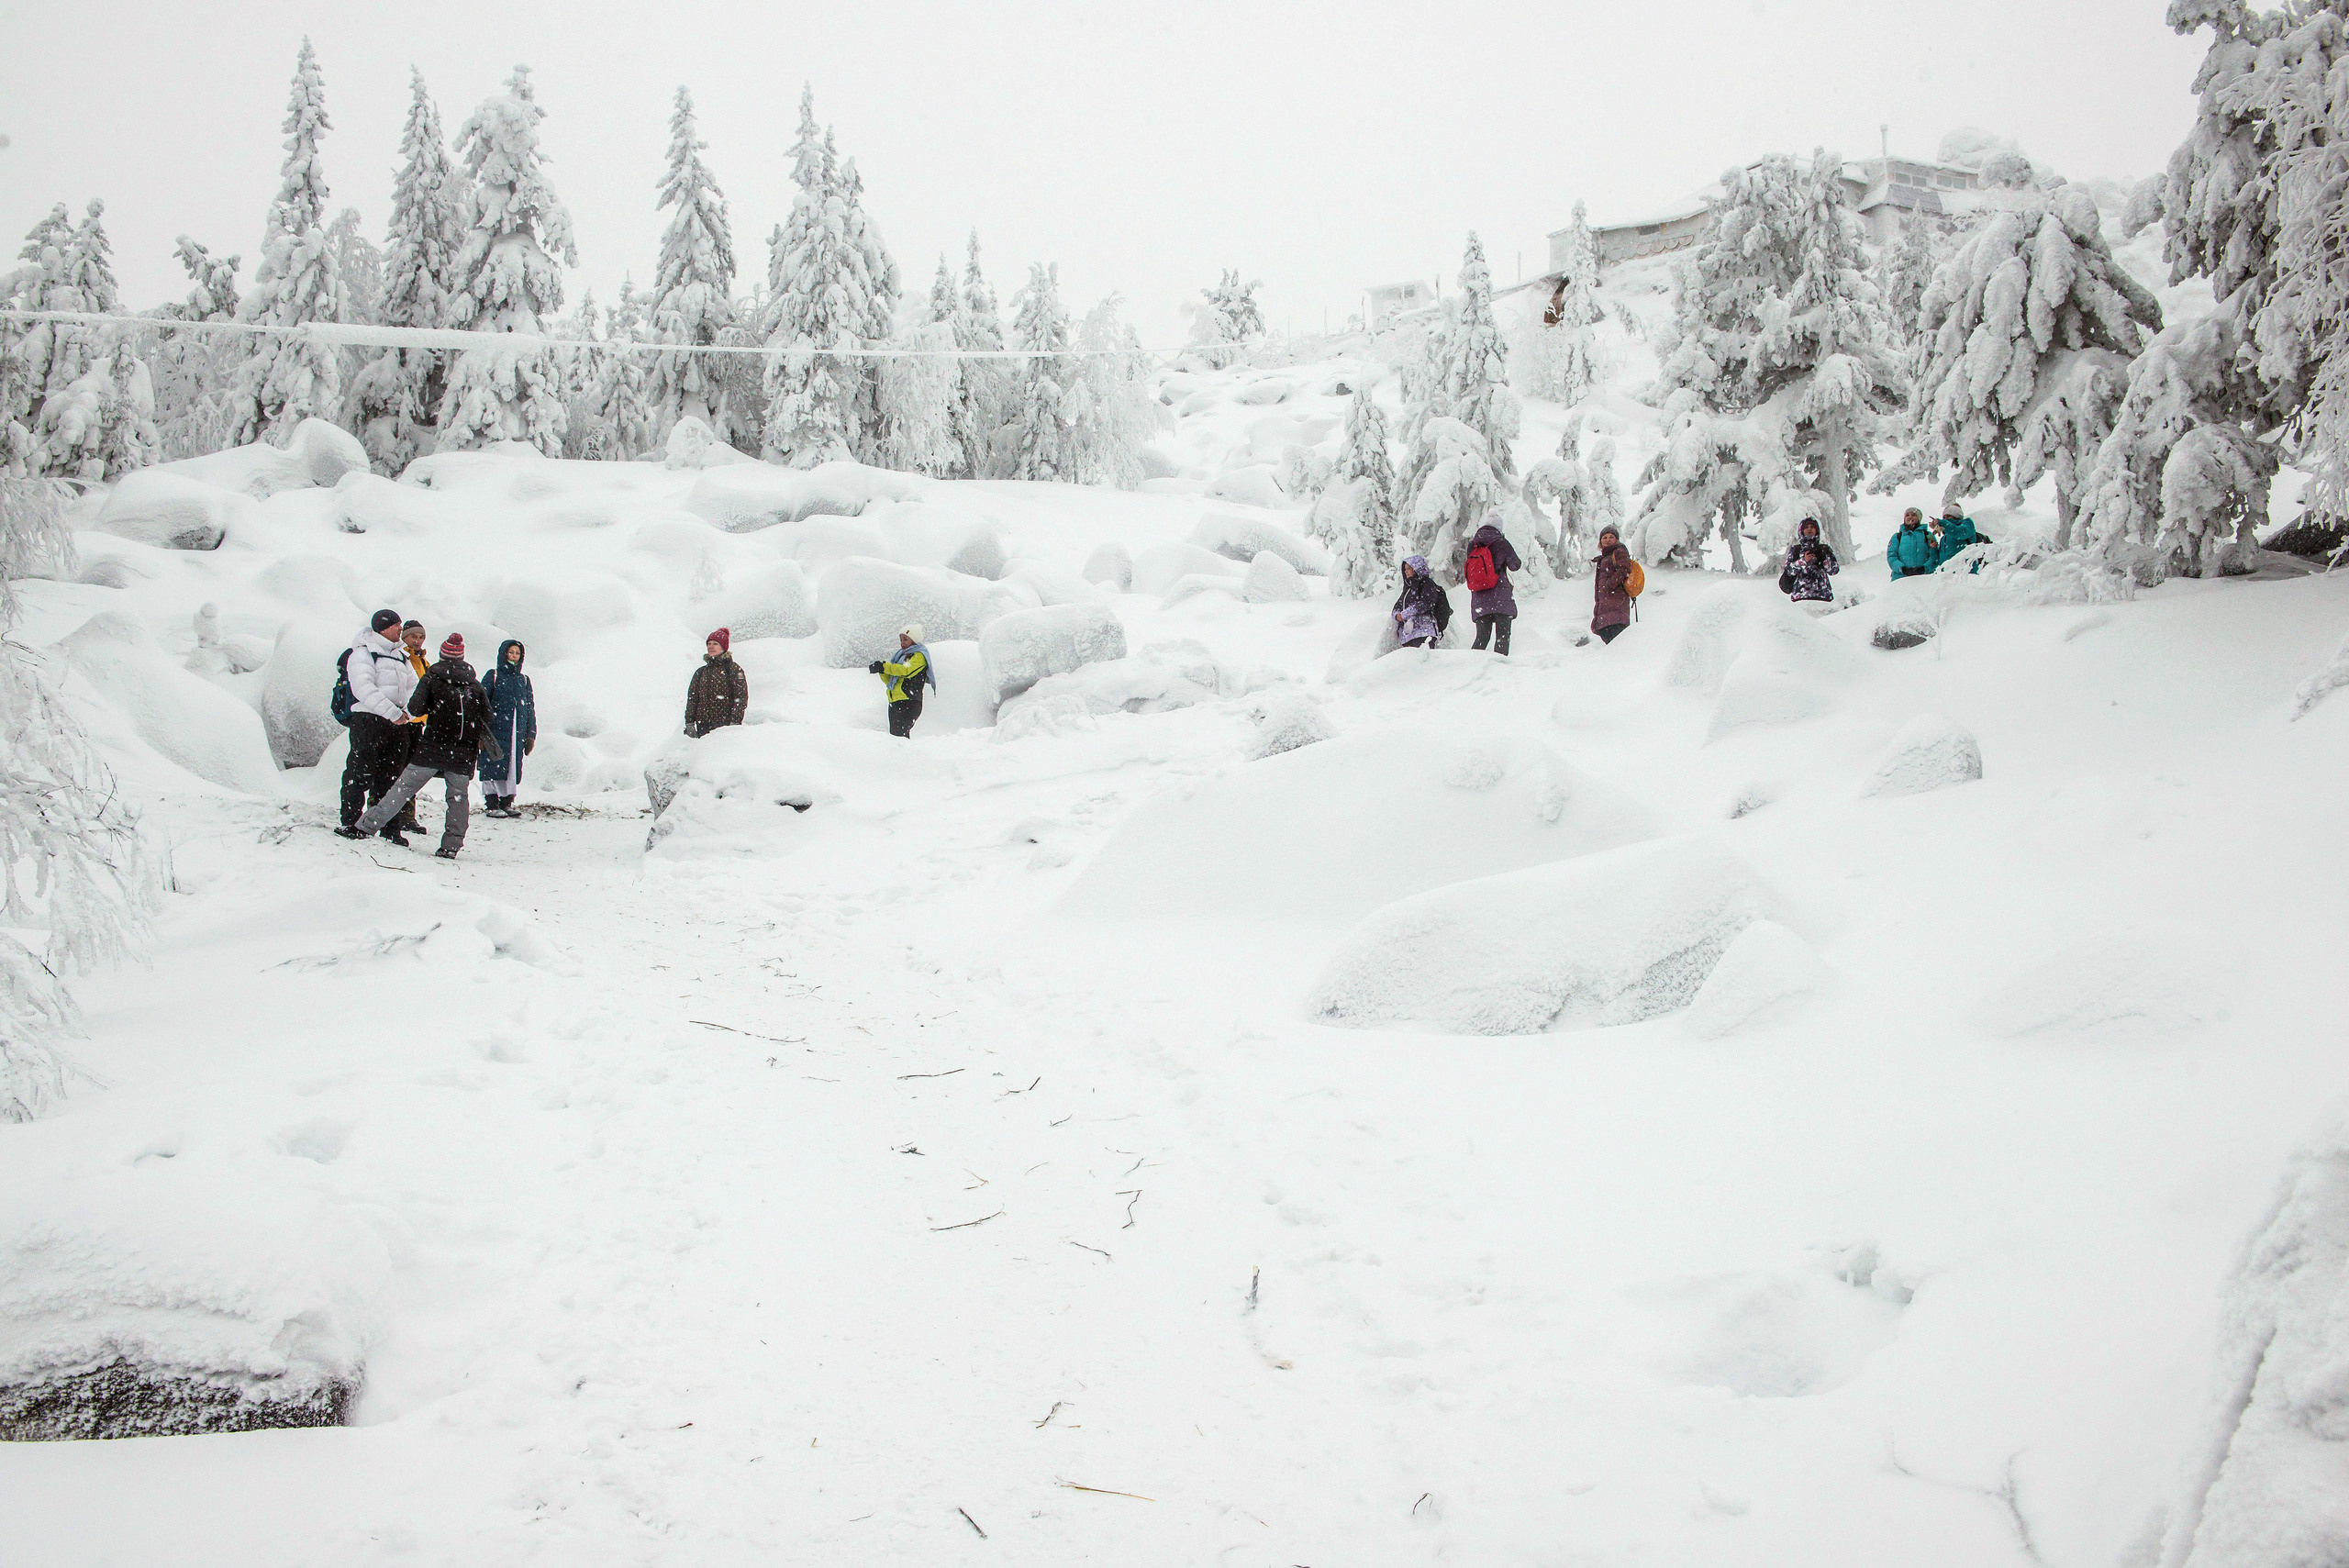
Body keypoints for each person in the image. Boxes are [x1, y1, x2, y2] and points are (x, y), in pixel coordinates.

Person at [344, 634, 495, 859]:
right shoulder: (474, 684)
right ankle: (451, 845)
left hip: (432, 747)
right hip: (464, 752)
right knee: (458, 798)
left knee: (402, 789)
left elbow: (415, 708)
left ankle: (366, 826)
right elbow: (488, 716)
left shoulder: (432, 677)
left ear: (442, 655)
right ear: (462, 657)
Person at [340, 608, 420, 837]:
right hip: (368, 721)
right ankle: (352, 822)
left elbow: (414, 687)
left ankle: (388, 826)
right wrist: (391, 712)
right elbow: (363, 688)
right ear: (383, 627)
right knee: (359, 773)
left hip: (398, 725)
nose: (400, 630)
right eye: (397, 626)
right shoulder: (362, 654)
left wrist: (406, 713)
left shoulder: (401, 656)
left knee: (392, 778)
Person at [478, 639, 536, 818]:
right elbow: (481, 704)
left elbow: (529, 709)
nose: (514, 656)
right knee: (492, 766)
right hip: (495, 731)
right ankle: (492, 803)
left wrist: (530, 735)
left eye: (517, 653)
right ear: (503, 654)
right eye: (511, 652)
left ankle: (507, 802)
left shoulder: (524, 680)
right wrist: (480, 733)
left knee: (511, 768)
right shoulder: (493, 676)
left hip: (515, 734)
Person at [1464, 510, 1523, 655]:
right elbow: (1515, 565)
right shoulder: (1501, 543)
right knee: (1502, 637)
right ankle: (1500, 669)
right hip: (1500, 596)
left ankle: (1472, 666)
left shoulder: (1473, 545)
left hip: (1480, 598)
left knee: (1482, 638)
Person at [868, 624, 936, 738]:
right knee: (895, 737)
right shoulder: (900, 656)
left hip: (909, 701)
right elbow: (891, 681)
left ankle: (905, 755)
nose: (902, 642)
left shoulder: (919, 655)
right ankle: (899, 755)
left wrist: (885, 667)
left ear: (914, 639)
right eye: (901, 640)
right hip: (895, 701)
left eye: (906, 639)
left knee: (900, 737)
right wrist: (881, 671)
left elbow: (906, 670)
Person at [684, 628, 748, 737]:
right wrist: (689, 722)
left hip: (725, 725)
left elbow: (741, 697)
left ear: (723, 647)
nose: (711, 646)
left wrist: (735, 722)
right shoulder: (701, 672)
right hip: (703, 725)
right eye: (709, 643)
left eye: (715, 643)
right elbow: (693, 699)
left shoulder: (733, 669)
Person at [1391, 554, 1451, 649]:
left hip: (1424, 632)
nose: (1406, 571)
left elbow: (1426, 603)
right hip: (1408, 636)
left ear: (1416, 568)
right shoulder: (1408, 589)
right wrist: (1397, 615)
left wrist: (1405, 614)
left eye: (1409, 568)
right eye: (1405, 569)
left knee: (1425, 660)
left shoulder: (1427, 583)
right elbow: (1396, 607)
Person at [1778, 517, 1841, 606]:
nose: (1809, 529)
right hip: (1800, 598)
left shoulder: (1824, 549)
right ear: (1801, 531)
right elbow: (1789, 570)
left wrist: (1825, 561)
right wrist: (1803, 561)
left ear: (1817, 530)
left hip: (1823, 598)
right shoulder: (1796, 550)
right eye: (1806, 527)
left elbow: (1834, 570)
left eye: (1812, 527)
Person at [1591, 527, 1635, 643]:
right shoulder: (1606, 556)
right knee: (1611, 640)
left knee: (1617, 640)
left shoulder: (1619, 551)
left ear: (1617, 539)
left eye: (1611, 537)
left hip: (1616, 604)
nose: (1608, 540)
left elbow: (1623, 570)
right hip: (1607, 607)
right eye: (1604, 538)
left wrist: (1610, 585)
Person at [1887, 507, 1938, 578]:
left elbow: (1935, 557)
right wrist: (1902, 569)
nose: (1910, 517)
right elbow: (1892, 557)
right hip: (1900, 579)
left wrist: (1924, 569)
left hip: (1924, 579)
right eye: (1907, 515)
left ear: (1919, 518)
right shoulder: (1897, 536)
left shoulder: (1928, 535)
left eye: (1913, 515)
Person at [1933, 502, 1985, 572]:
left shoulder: (1967, 524)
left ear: (1957, 516)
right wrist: (1932, 548)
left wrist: (1943, 523)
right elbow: (1939, 560)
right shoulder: (1944, 538)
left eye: (1948, 516)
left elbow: (1960, 533)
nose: (1945, 519)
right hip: (1946, 576)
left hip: (1966, 574)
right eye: (1944, 517)